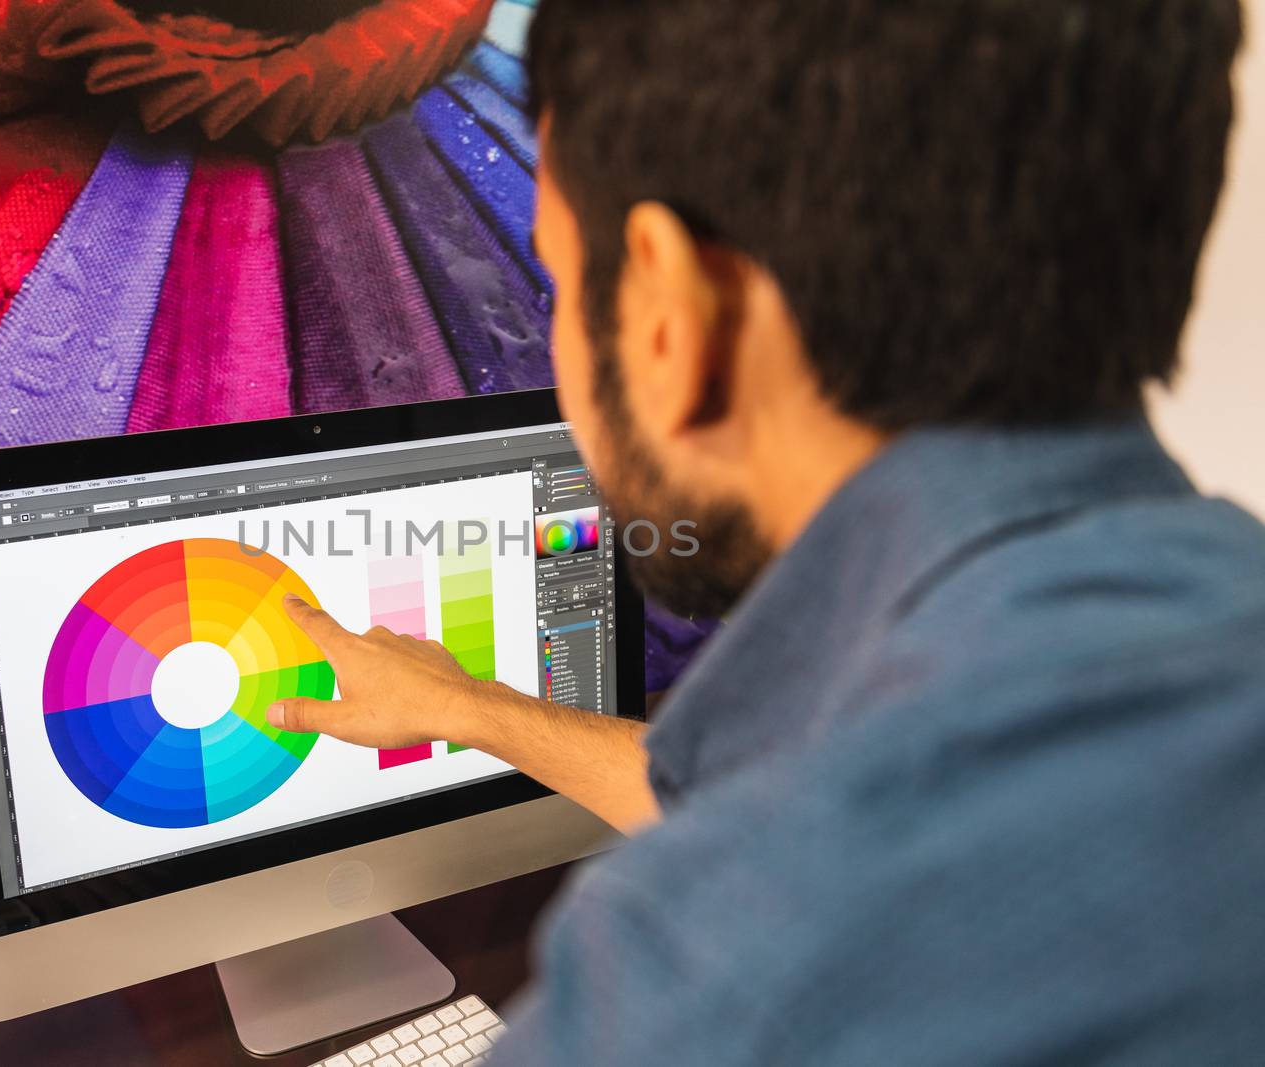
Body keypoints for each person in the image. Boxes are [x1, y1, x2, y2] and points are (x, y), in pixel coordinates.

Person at [267, 0, 1265, 1061]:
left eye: (555, 277)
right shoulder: (1207, 626)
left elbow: (817, 862)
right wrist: (472, 708)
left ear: (669, 308)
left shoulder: (729, 963)